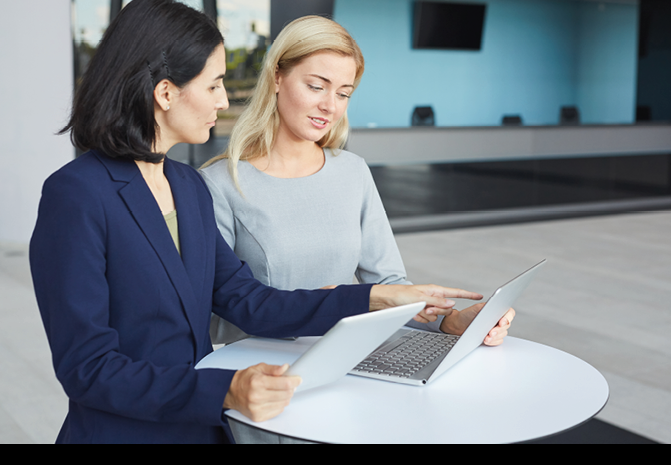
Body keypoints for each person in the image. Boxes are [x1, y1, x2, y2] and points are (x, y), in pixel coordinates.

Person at [30, 0, 469, 445]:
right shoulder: (77, 194)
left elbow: (248, 301)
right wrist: (225, 389)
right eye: (215, 84)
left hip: (204, 429)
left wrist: (371, 297)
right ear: (165, 92)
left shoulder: (186, 185)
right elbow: (87, 368)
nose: (224, 100)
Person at [201, 16, 514, 348]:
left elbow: (388, 286)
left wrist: (449, 322)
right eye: (316, 86)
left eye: (343, 93)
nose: (330, 106)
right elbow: (216, 311)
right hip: (256, 366)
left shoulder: (352, 171)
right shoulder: (219, 183)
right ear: (277, 76)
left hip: (341, 357)